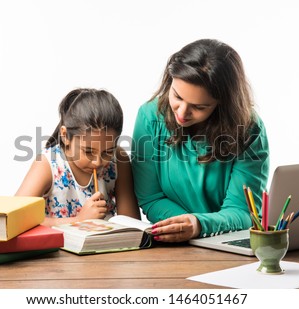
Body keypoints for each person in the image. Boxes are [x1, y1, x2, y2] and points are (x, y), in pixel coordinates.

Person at [131, 39, 269, 242]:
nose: (182, 112)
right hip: (174, 242)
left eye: (199, 107)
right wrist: (183, 225)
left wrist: (199, 224)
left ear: (222, 104)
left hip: (231, 241)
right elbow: (151, 197)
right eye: (177, 96)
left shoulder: (249, 129)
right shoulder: (149, 116)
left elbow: (242, 210)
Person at [16, 88, 141, 226]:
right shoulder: (48, 164)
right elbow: (16, 218)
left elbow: (132, 223)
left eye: (107, 152)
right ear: (65, 136)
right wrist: (79, 220)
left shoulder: (118, 159)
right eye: (88, 152)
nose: (98, 162)